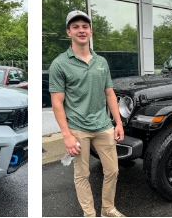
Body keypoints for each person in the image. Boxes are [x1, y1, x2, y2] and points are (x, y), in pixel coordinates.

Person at [49, 11, 125, 218]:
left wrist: (118, 123)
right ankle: (89, 214)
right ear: (68, 32)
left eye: (85, 26)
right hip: (77, 128)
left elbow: (109, 93)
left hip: (103, 126)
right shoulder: (60, 64)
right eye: (76, 27)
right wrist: (66, 135)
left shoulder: (101, 62)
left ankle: (108, 209)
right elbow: (57, 103)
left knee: (113, 171)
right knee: (82, 174)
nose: (81, 30)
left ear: (90, 31)